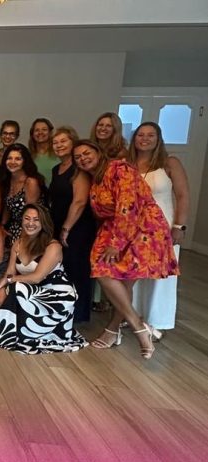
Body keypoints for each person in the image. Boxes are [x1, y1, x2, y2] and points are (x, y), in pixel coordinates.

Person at [73, 140, 178, 359]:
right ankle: (137, 326)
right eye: (78, 157)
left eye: (86, 153)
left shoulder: (119, 169)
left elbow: (127, 207)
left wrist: (115, 244)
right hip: (114, 227)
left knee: (116, 278)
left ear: (98, 152)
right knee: (110, 277)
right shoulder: (96, 180)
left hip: (142, 227)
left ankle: (117, 330)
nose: (83, 158)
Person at [0, 204, 87, 354]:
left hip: (55, 295)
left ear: (43, 223)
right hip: (32, 291)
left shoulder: (53, 246)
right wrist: (2, 289)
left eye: (36, 220)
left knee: (17, 287)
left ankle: (21, 331)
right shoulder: (18, 243)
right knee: (10, 288)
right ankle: (13, 329)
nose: (30, 223)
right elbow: (9, 273)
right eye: (27, 218)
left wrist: (8, 282)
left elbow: (37, 277)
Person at [129, 122, 190, 333]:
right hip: (134, 227)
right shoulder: (128, 164)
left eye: (150, 135)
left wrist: (179, 226)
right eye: (140, 135)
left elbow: (182, 195)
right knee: (133, 271)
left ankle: (156, 320)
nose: (144, 139)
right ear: (134, 138)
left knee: (160, 275)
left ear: (158, 139)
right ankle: (133, 317)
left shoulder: (169, 163)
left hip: (163, 226)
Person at [48, 126, 95, 322]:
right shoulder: (56, 169)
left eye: (63, 141)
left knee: (77, 269)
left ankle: (78, 314)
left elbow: (80, 201)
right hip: (59, 223)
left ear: (73, 142)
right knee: (62, 268)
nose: (58, 145)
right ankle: (63, 310)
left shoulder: (78, 169)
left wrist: (66, 228)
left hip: (77, 227)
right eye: (55, 142)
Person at [0, 143, 43, 245]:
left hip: (32, 229)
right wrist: (2, 226)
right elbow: (8, 206)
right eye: (9, 158)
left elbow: (30, 214)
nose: (13, 162)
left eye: (18, 159)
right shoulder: (7, 180)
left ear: (25, 161)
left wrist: (22, 240)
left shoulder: (30, 182)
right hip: (14, 227)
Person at [28, 118, 57, 183]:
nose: (40, 132)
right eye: (37, 130)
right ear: (32, 134)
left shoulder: (58, 153)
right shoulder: (28, 156)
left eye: (44, 129)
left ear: (50, 133)